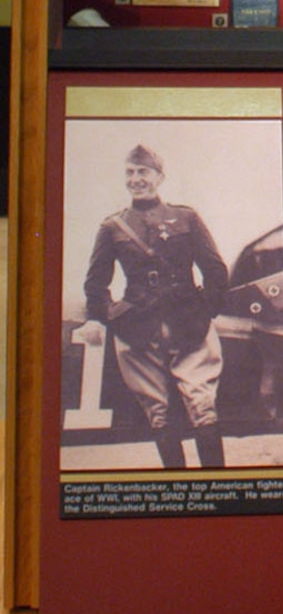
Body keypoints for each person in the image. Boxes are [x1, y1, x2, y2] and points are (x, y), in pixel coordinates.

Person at [79, 143, 230, 468]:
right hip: (138, 331)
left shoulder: (186, 217)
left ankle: (218, 487)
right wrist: (103, 316)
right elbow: (96, 282)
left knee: (202, 405)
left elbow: (215, 270)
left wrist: (205, 310)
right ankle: (178, 488)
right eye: (130, 173)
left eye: (143, 172)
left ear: (159, 177)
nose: (136, 179)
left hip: (189, 324)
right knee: (158, 413)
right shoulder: (112, 227)